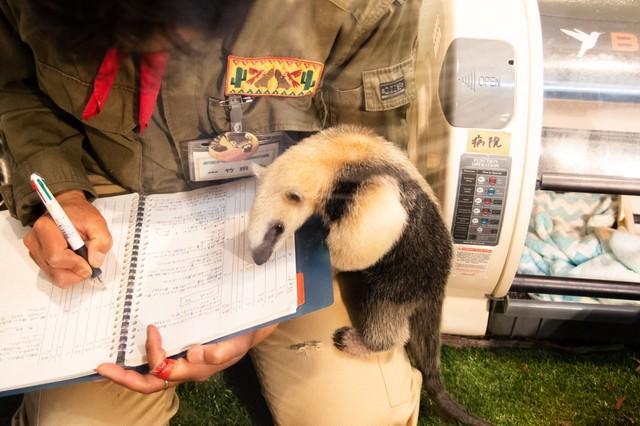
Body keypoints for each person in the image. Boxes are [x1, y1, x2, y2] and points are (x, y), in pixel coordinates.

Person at [0, 0, 424, 424]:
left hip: (291, 215)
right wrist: (60, 191)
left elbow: (364, 166)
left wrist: (260, 317)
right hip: (110, 191)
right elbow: (15, 85)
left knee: (355, 417)